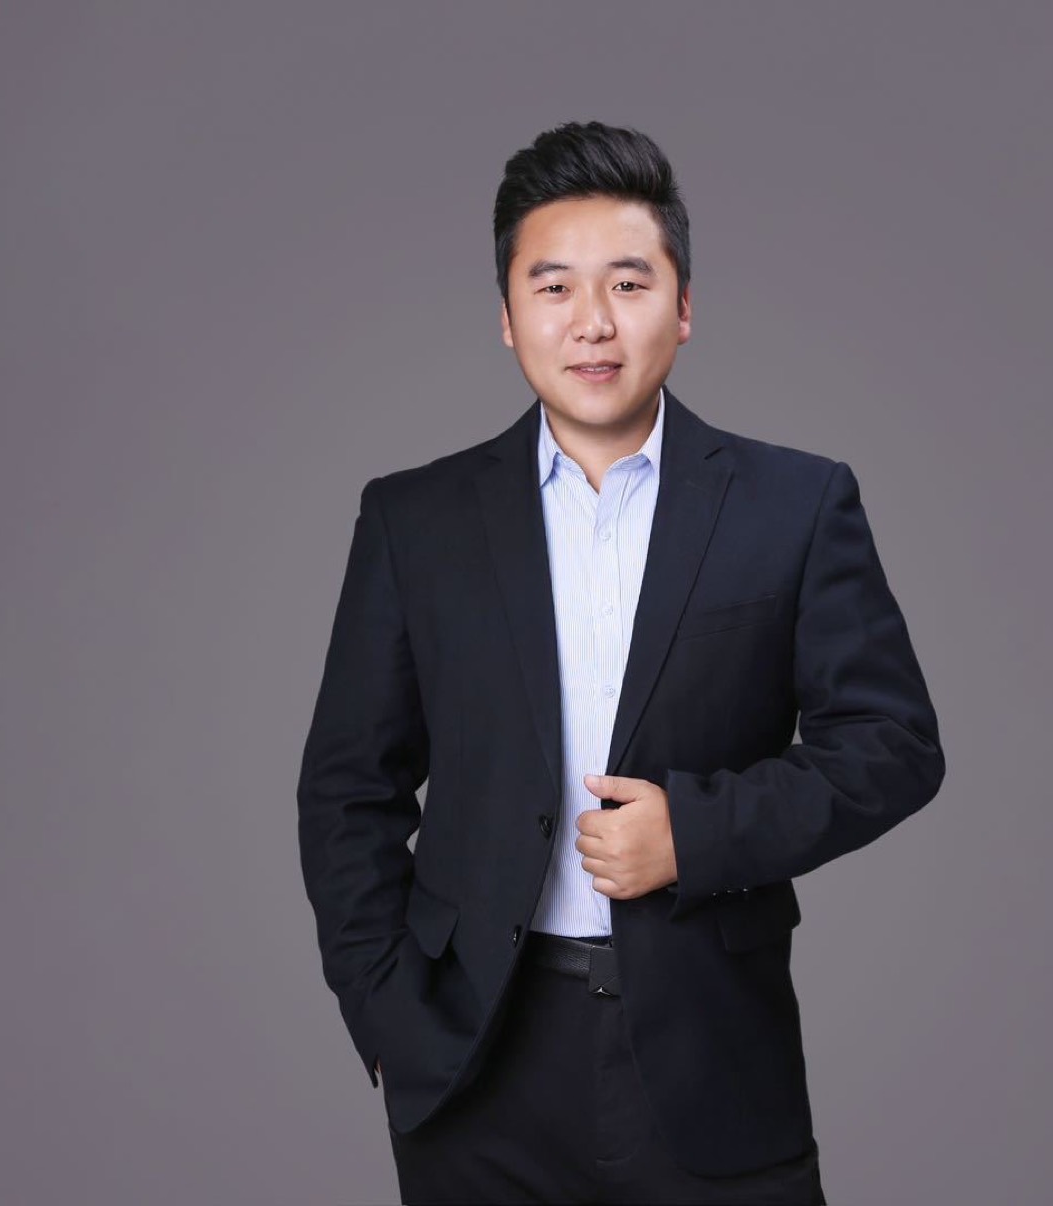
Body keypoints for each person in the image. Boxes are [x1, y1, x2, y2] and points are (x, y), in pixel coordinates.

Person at [297, 119, 944, 1205]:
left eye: (629, 284)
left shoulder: (794, 505)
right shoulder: (415, 521)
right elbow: (346, 790)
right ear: (508, 317)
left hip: (712, 1059)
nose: (593, 321)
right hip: (474, 1067)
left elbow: (893, 746)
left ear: (682, 307)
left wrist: (697, 832)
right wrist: (386, 1017)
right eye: (553, 287)